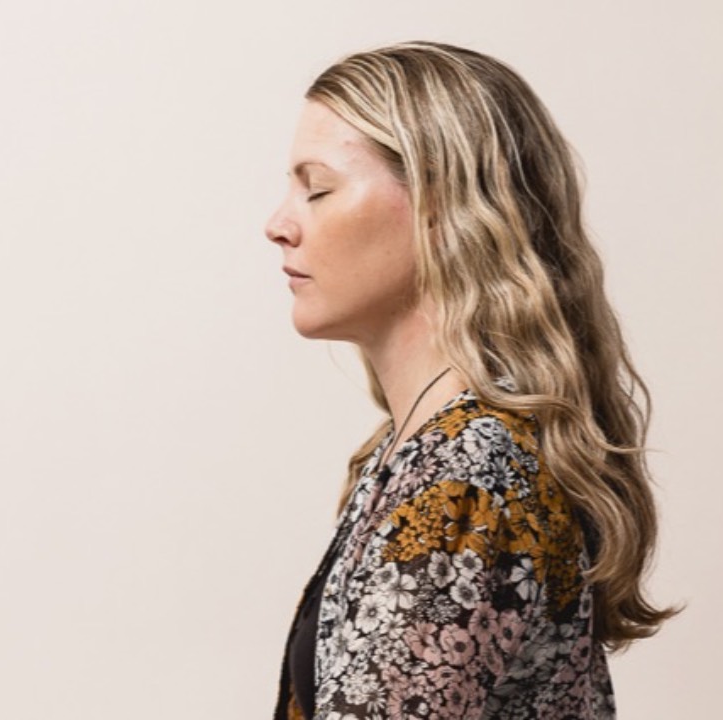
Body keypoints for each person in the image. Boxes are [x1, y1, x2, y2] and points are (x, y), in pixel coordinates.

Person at [263, 41, 679, 720]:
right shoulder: (424, 454)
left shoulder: (467, 484)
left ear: (440, 206)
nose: (279, 224)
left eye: (318, 189)